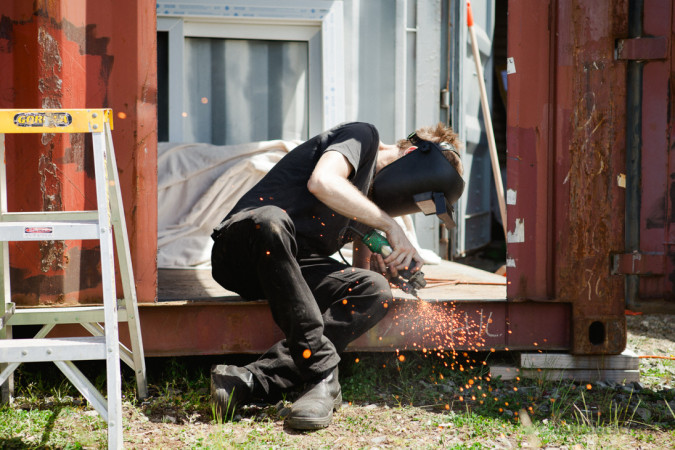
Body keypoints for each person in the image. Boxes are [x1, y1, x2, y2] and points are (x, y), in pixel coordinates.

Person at [210, 121, 463, 430]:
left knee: (373, 289)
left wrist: (389, 266)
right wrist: (391, 226)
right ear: (412, 153)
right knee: (272, 220)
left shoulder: (369, 202)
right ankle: (322, 375)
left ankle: (250, 380)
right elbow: (323, 182)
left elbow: (362, 259)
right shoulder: (362, 136)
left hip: (291, 267)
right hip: (244, 249)